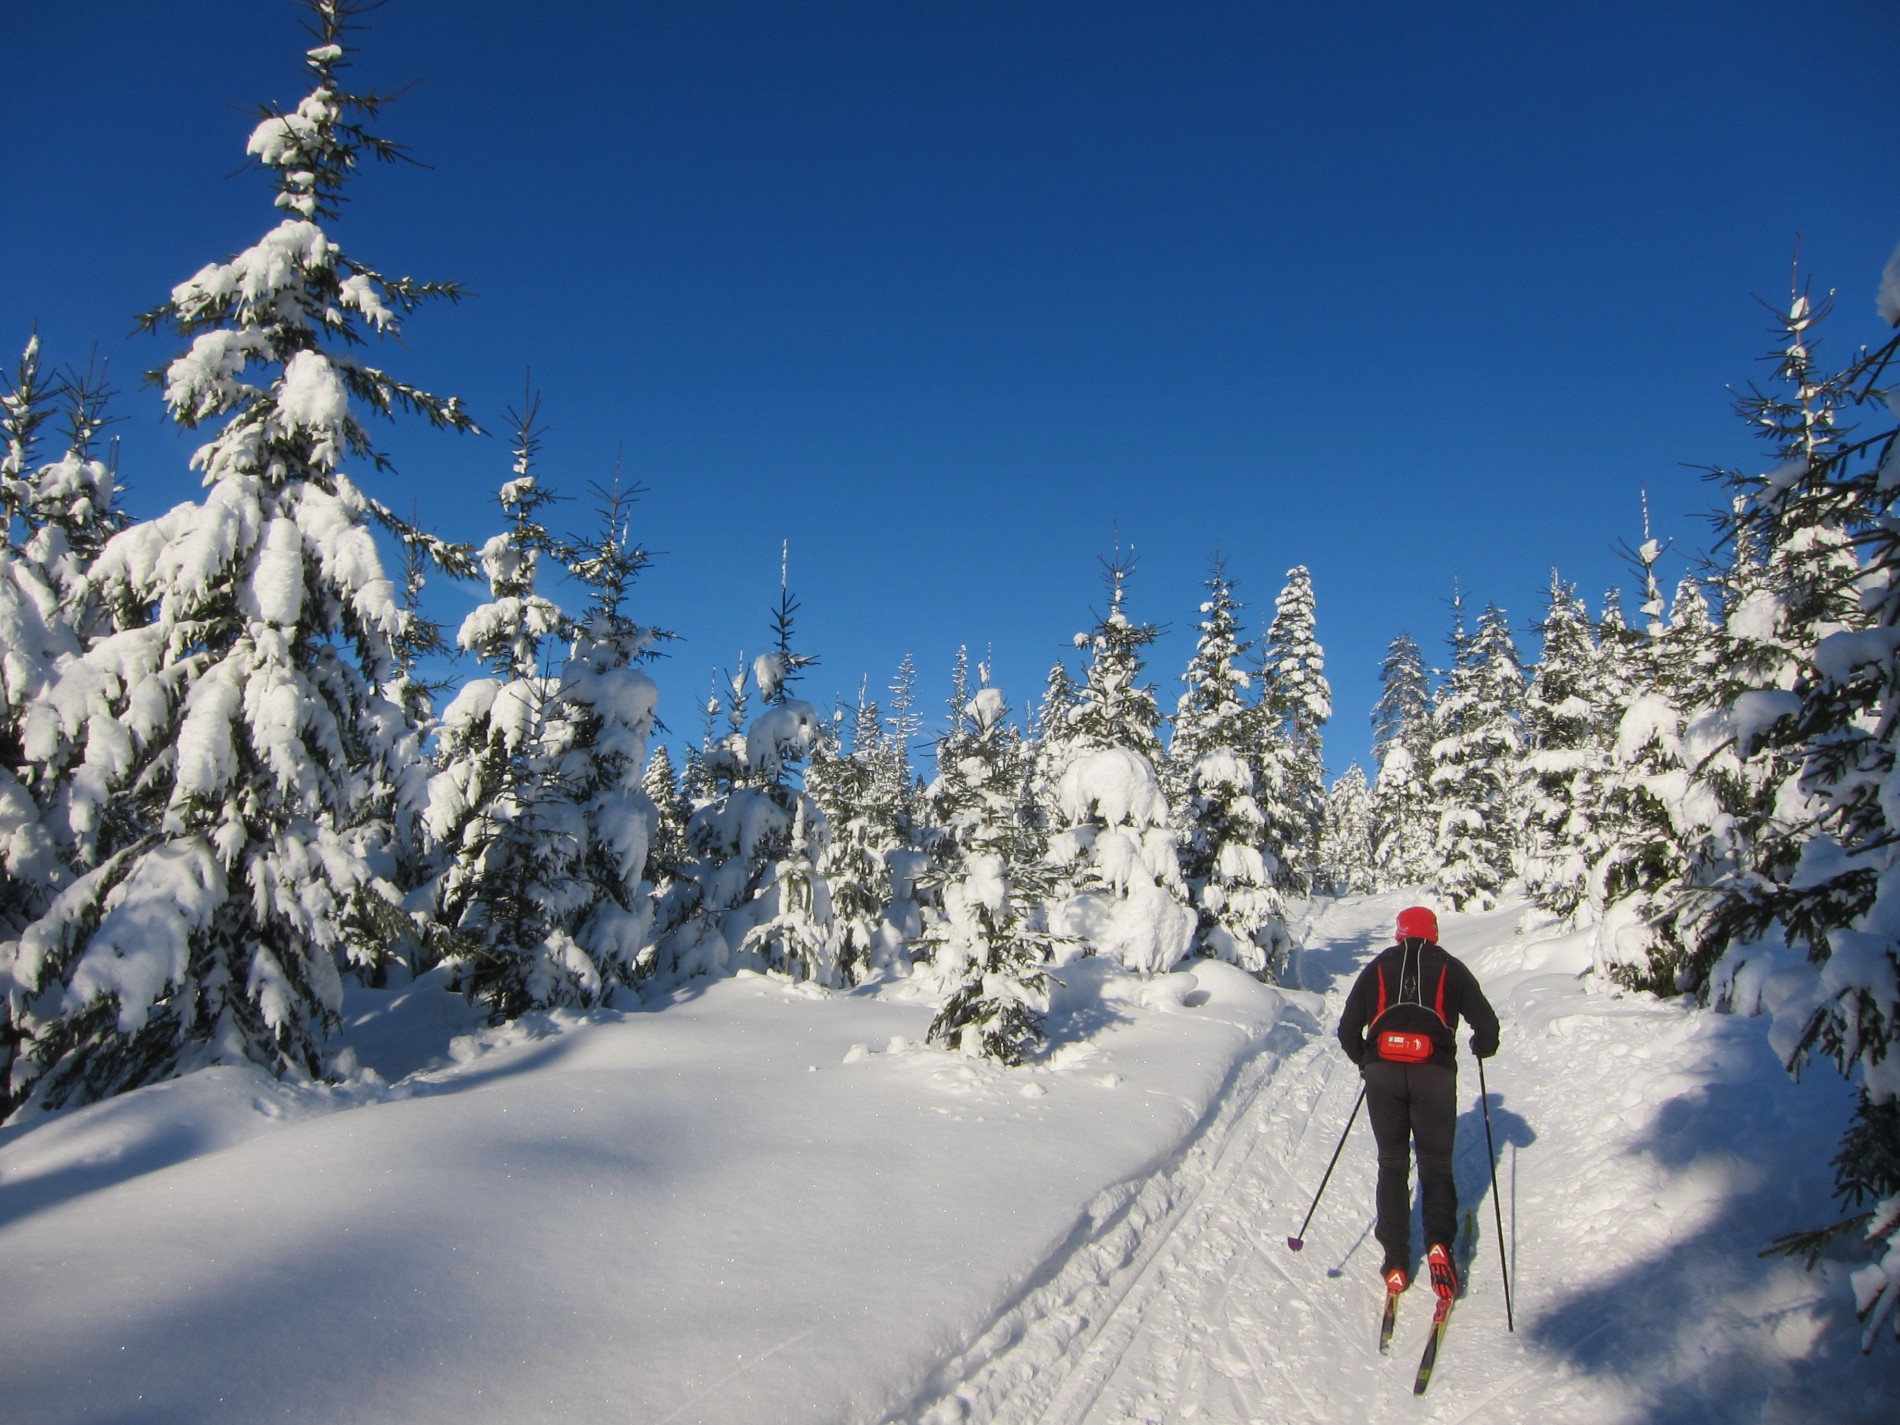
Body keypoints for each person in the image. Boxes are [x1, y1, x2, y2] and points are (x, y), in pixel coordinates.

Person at [1337, 905, 1500, 1299]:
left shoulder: (1378, 966)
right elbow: (1488, 1026)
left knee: (1392, 1163)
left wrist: (1366, 1060)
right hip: (1435, 1073)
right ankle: (1439, 1244)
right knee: (1436, 1165)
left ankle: (1395, 1260)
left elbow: (1346, 1030)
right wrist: (1481, 1045)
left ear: (1399, 933)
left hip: (1384, 1073)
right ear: (1434, 933)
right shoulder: (1450, 966)